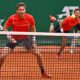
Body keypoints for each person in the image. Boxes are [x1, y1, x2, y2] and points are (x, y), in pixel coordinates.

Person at [0, 2, 51, 78]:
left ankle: (43, 72)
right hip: (14, 38)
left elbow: (33, 29)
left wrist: (33, 41)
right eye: (20, 10)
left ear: (25, 10)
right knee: (2, 56)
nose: (21, 11)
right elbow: (4, 28)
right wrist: (10, 38)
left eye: (23, 9)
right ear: (16, 11)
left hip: (25, 38)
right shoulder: (12, 18)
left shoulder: (30, 17)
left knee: (38, 54)